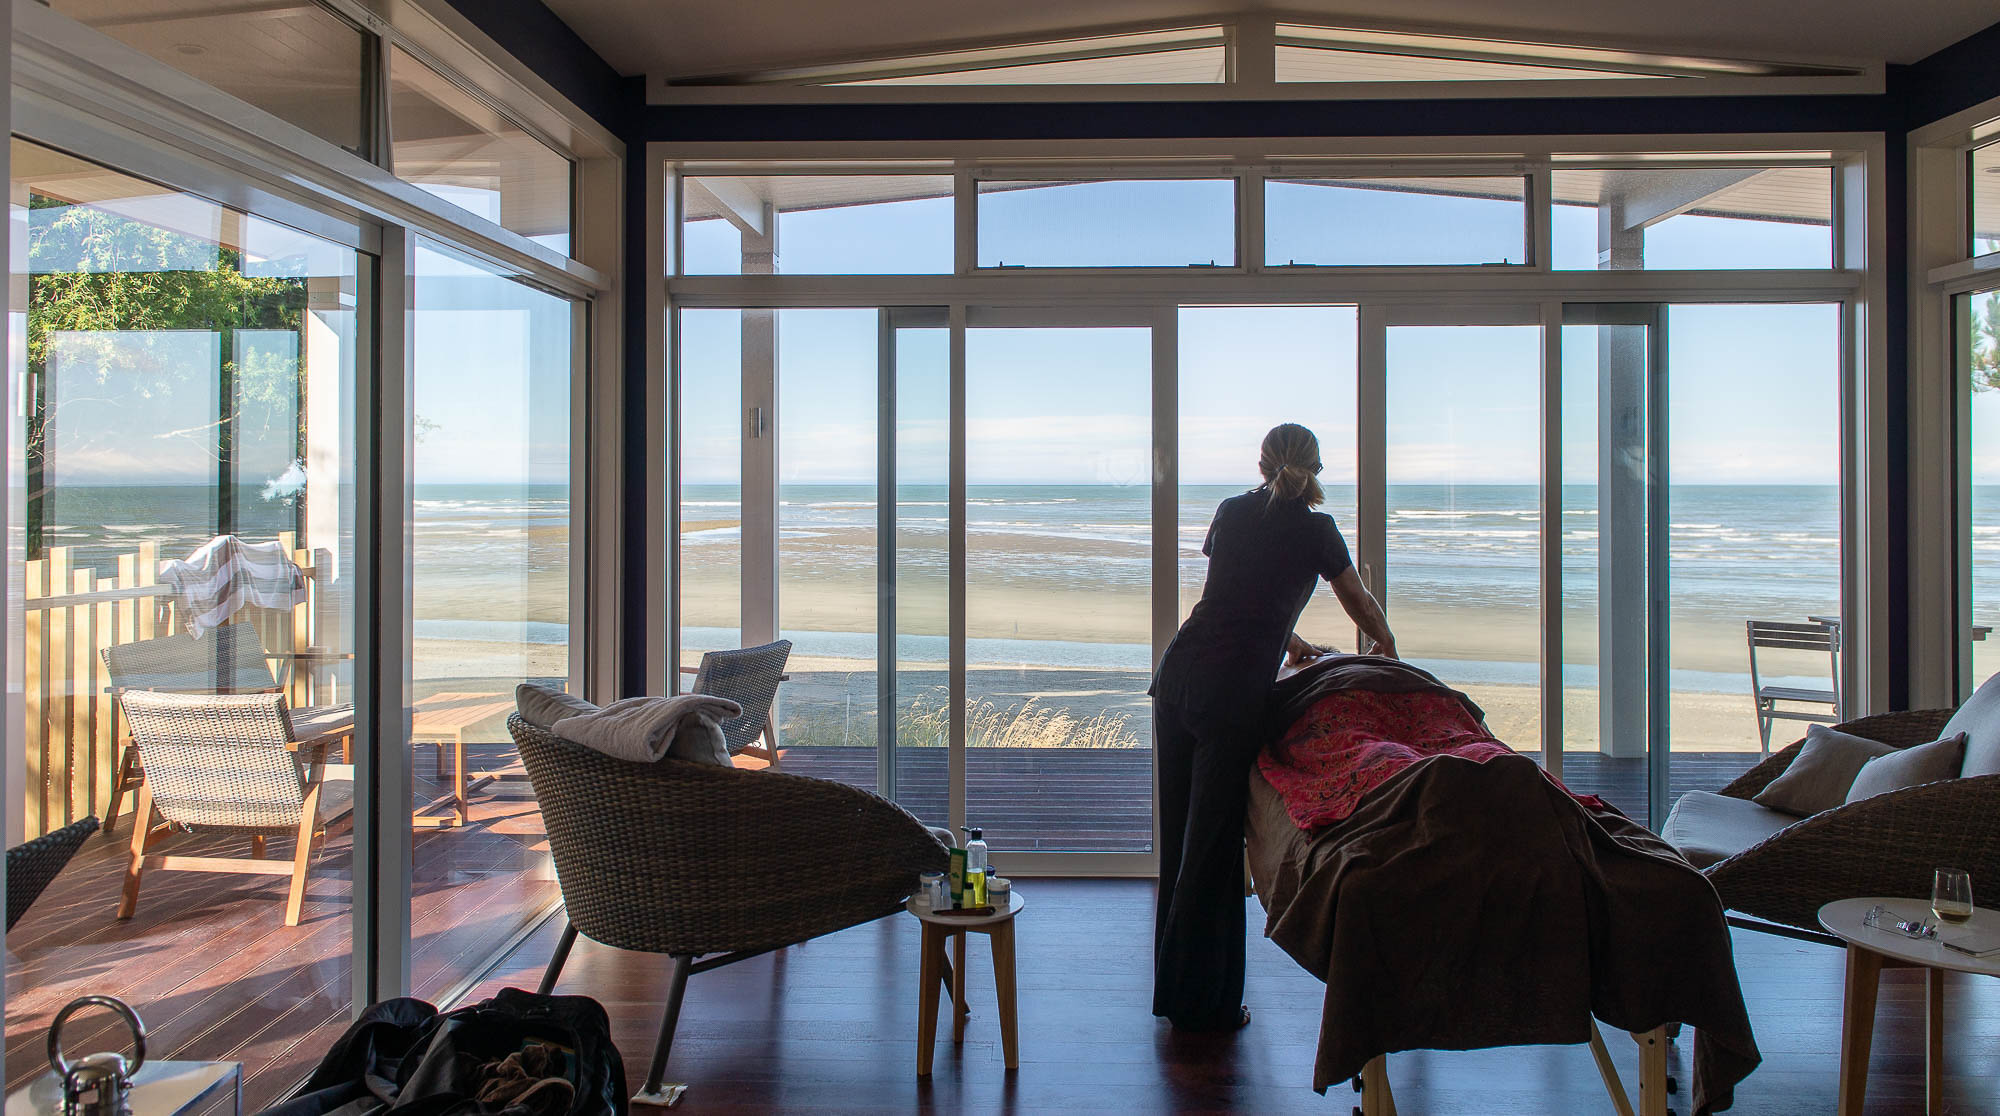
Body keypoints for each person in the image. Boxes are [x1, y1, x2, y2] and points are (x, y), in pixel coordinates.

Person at [1149, 422, 1397, 1031]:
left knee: (1180, 841)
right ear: (1317, 468)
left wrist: (1290, 640)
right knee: (1213, 850)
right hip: (1230, 695)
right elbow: (1358, 601)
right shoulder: (1317, 530)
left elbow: (1234, 596)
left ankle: (1175, 992)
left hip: (1179, 677)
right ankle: (1206, 1007)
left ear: (1262, 465)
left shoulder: (1231, 512)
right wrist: (1388, 648)